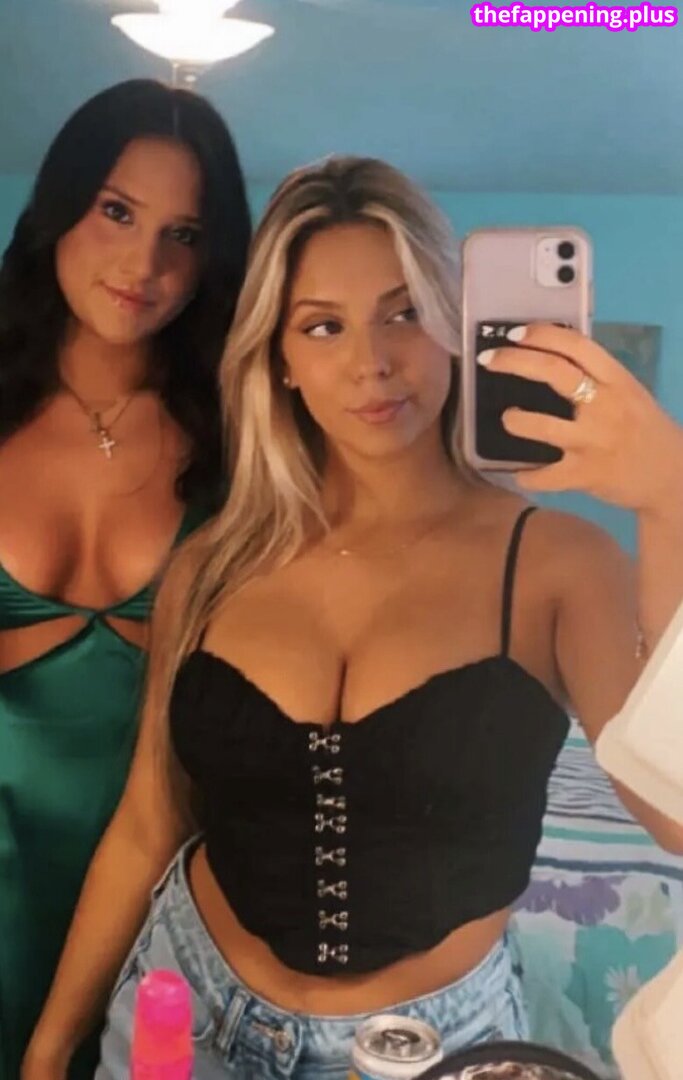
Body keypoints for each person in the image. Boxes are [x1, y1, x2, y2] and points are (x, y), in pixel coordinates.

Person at [25, 156, 683, 1080]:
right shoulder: (212, 563)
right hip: (182, 1013)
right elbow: (148, 820)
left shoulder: (561, 564)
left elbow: (675, 817)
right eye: (322, 326)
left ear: (455, 325)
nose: (371, 362)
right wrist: (50, 1047)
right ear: (280, 360)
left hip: (437, 1047)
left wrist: (669, 499)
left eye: (404, 312)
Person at [0, 79, 251, 1078]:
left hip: (169, 877)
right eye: (116, 211)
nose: (144, 265)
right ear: (58, 205)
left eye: (183, 234)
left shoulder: (239, 440)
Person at [477, 331, 683, 647]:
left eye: (407, 315)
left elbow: (662, 676)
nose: (378, 364)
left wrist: (670, 491)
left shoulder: (574, 562)